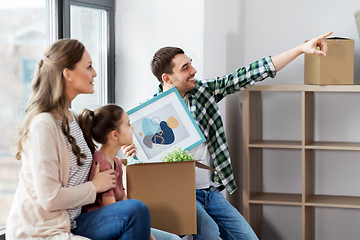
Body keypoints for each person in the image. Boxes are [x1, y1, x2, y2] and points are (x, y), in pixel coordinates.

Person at [122, 31, 333, 240]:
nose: (194, 70)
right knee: (210, 233)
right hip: (181, 194)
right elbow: (135, 163)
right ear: (167, 77)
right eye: (185, 68)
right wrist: (131, 150)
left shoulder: (204, 92)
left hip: (211, 192)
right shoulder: (145, 116)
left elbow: (248, 74)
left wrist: (300, 49)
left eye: (191, 64)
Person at [6, 38, 151, 240]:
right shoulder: (43, 125)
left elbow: (101, 154)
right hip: (42, 231)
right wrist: (95, 187)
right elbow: (50, 198)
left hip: (73, 222)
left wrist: (125, 149)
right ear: (68, 74)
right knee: (136, 210)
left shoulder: (72, 118)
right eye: (89, 67)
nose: (95, 73)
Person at [77, 104, 181, 240]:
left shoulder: (117, 162)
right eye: (128, 124)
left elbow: (123, 200)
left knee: (174, 239)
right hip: (104, 224)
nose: (132, 128)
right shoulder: (101, 162)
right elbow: (114, 211)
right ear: (114, 135)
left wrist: (150, 235)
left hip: (118, 217)